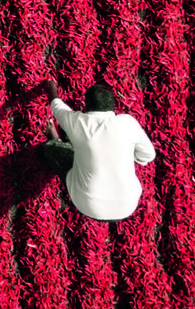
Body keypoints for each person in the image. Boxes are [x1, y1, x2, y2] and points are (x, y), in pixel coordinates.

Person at [39, 79, 156, 222]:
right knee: (84, 147)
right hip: (127, 206)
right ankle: (72, 140)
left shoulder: (79, 121)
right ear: (113, 106)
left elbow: (57, 108)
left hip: (87, 204)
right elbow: (148, 155)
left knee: (55, 150)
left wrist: (51, 88)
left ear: (86, 106)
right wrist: (121, 152)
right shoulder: (127, 123)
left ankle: (55, 142)